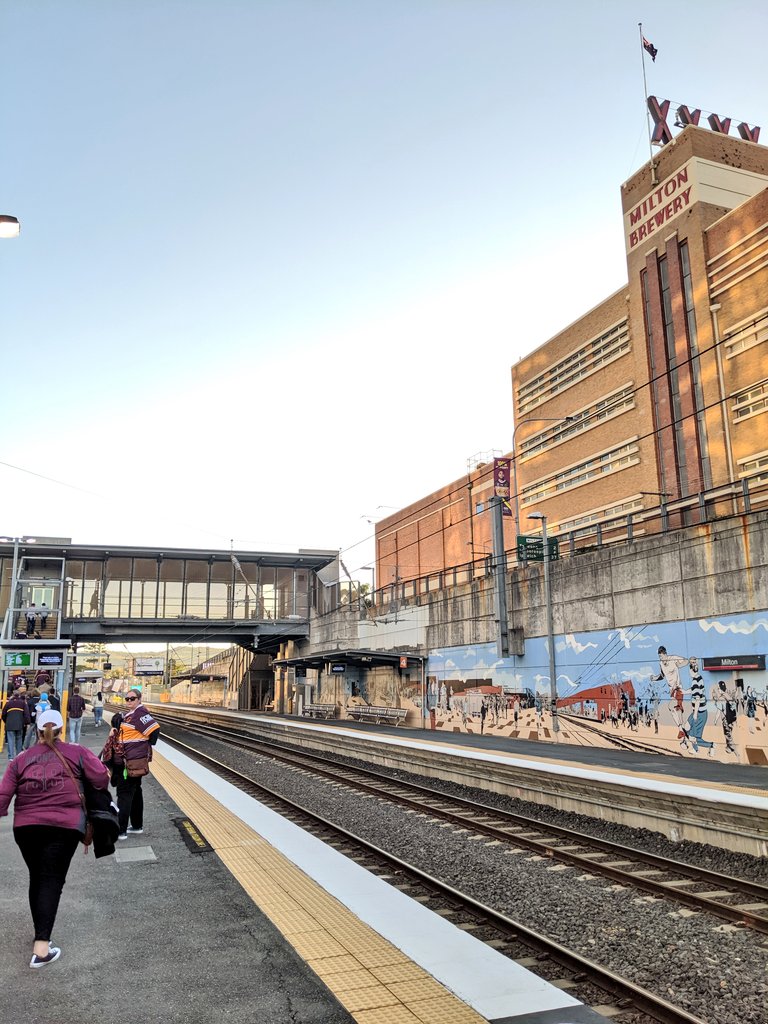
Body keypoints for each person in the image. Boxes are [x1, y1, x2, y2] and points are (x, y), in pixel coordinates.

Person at [0, 708, 110, 967]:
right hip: (64, 826)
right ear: (61, 730)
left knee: (38, 877)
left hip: (26, 828)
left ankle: (40, 931)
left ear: (36, 731)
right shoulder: (77, 752)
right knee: (51, 880)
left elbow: (3, 795)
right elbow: (100, 780)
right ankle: (41, 949)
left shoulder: (21, 759)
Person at [100, 690, 159, 839]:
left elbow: (154, 730)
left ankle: (121, 830)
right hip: (130, 761)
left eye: (132, 698)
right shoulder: (132, 714)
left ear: (139, 699)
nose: (129, 701)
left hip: (128, 762)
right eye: (127, 699)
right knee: (135, 793)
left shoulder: (140, 714)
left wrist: (143, 746)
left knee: (124, 795)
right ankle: (137, 825)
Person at [3, 686, 32, 760]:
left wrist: (6, 721)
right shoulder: (23, 703)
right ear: (19, 695)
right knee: (19, 740)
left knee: (10, 740)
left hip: (9, 725)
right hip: (19, 724)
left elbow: (3, 714)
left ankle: (11, 757)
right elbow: (26, 714)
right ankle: (18, 755)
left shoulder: (8, 703)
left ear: (13, 695)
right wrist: (27, 723)